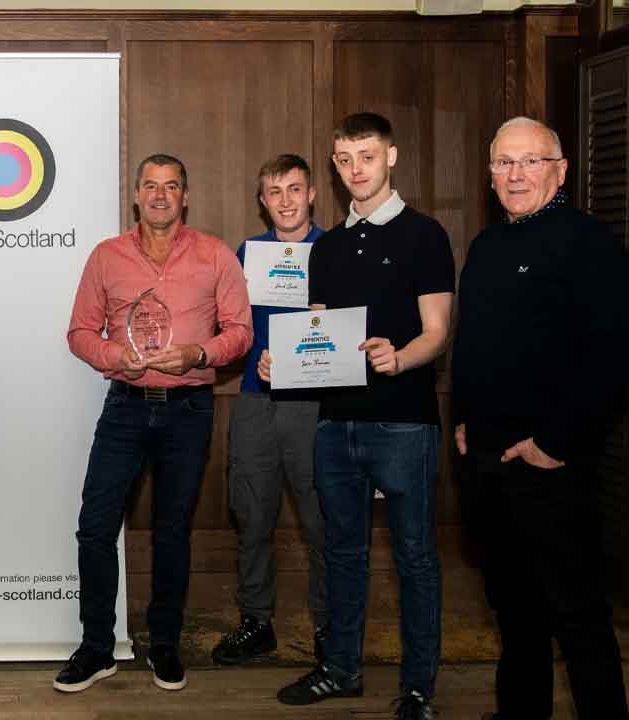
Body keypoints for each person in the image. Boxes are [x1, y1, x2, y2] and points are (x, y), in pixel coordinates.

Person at [268, 113, 453, 720]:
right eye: (344, 159)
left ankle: (419, 688)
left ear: (391, 157)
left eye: (366, 157)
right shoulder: (329, 248)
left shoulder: (426, 235)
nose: (355, 170)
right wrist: (284, 361)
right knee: (341, 553)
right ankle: (341, 670)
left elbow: (437, 334)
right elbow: (319, 333)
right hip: (335, 424)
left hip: (404, 423)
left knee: (415, 558)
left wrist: (398, 359)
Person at [56, 153, 252, 693]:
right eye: (151, 186)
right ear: (137, 196)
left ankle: (164, 643)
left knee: (172, 531)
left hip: (188, 409)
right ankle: (97, 647)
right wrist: (113, 356)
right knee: (95, 527)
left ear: (185, 197)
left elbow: (240, 331)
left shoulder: (214, 255)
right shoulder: (106, 256)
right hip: (125, 404)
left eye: (171, 186)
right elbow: (78, 332)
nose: (161, 195)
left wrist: (197, 354)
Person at [454, 117, 629, 720]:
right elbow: (471, 344)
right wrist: (462, 421)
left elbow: (613, 356)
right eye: (503, 163)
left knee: (577, 615)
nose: (515, 174)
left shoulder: (589, 244)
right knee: (514, 611)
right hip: (487, 465)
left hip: (552, 466)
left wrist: (554, 442)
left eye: (530, 161)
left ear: (560, 170)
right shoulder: (485, 246)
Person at [212, 154, 328, 666]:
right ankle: (256, 622)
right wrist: (242, 349)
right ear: (262, 201)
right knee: (252, 516)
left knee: (323, 522)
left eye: (294, 189)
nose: (285, 200)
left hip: (317, 407)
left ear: (312, 195)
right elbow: (234, 327)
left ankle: (331, 628)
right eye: (274, 192)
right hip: (257, 403)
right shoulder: (247, 253)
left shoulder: (336, 250)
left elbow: (347, 331)